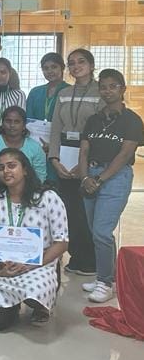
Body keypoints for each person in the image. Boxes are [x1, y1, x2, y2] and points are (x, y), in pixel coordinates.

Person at [0, 149, 68, 329]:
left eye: (12, 166)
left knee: (35, 294)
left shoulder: (48, 198)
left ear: (26, 170)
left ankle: (40, 305)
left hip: (38, 265)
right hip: (3, 266)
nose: (6, 171)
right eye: (1, 168)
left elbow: (62, 243)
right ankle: (13, 305)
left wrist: (30, 265)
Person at [79, 69, 144, 303]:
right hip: (91, 175)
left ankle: (105, 284)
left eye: (113, 86)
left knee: (102, 231)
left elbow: (124, 154)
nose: (107, 91)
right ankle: (108, 278)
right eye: (103, 87)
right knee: (96, 232)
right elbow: (84, 150)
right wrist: (85, 178)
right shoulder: (93, 119)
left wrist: (100, 180)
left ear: (122, 89)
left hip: (115, 177)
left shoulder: (132, 120)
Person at [48, 48, 103, 276]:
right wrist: (54, 159)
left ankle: (93, 260)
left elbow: (101, 132)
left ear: (91, 65)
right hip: (64, 158)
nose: (76, 66)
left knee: (87, 212)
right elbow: (56, 129)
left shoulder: (101, 92)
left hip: (89, 161)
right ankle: (77, 256)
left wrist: (84, 165)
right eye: (71, 62)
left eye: (81, 61)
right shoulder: (64, 93)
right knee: (69, 211)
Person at [26, 52, 69, 183]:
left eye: (54, 67)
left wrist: (55, 145)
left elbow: (70, 123)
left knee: (56, 183)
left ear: (62, 68)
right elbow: (28, 119)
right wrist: (35, 143)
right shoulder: (35, 92)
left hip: (60, 147)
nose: (50, 71)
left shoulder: (69, 91)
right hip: (36, 146)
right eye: (46, 68)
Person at [0, 106, 46, 186]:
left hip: (28, 190)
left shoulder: (35, 147)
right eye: (8, 121)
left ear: (24, 125)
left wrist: (20, 188)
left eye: (17, 122)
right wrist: (6, 185)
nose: (12, 125)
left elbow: (40, 176)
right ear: (3, 124)